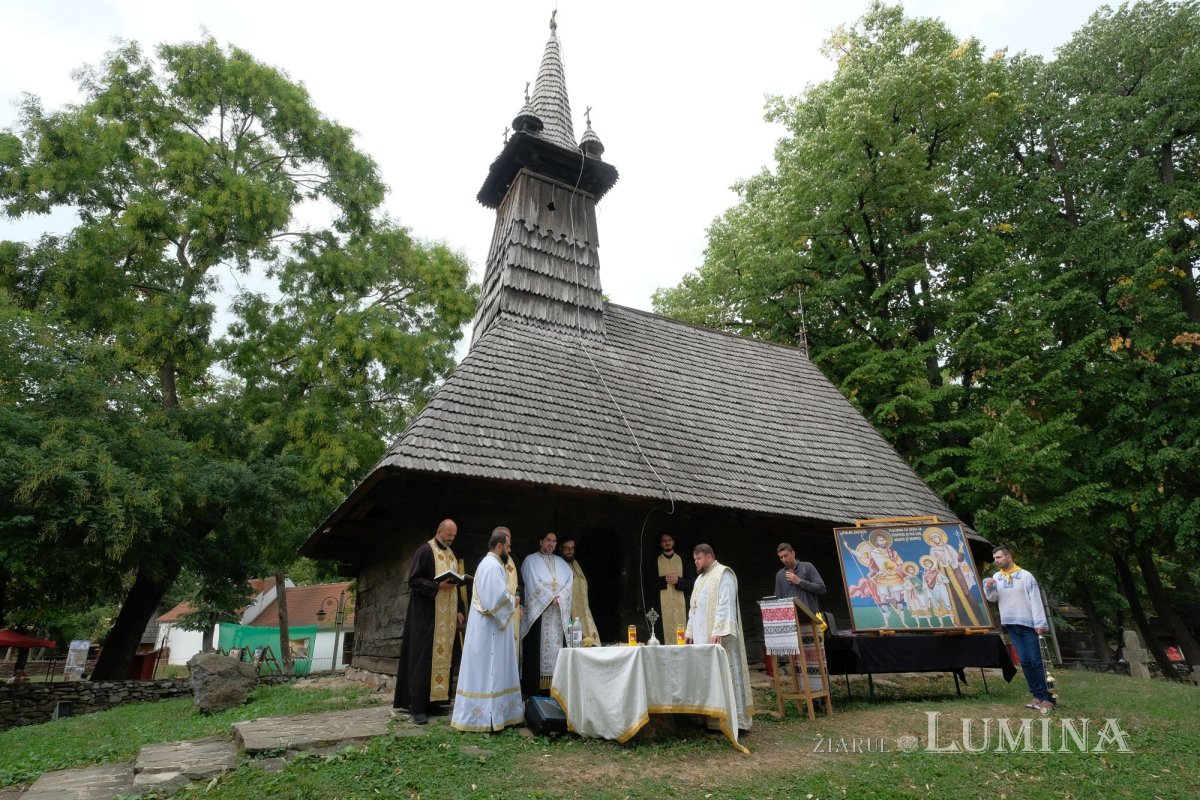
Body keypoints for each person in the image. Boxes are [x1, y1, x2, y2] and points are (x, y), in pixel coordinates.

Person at [451, 527, 524, 732]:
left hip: (486, 627)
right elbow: (495, 599)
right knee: (489, 672)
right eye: (508, 547)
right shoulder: (492, 566)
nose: (509, 551)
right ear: (499, 546)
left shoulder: (487, 563)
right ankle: (486, 718)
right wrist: (514, 600)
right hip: (489, 629)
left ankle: (489, 716)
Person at [392, 519, 465, 724]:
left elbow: (455, 585)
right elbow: (414, 580)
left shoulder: (451, 555)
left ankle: (435, 702)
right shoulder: (424, 551)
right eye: (448, 534)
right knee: (423, 659)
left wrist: (458, 609)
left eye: (453, 535)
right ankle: (418, 707)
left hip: (446, 618)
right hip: (426, 616)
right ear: (439, 531)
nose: (451, 538)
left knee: (443, 660)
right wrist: (437, 587)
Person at [685, 544, 754, 732]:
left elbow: (726, 603)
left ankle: (734, 720)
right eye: (694, 559)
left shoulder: (724, 573)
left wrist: (718, 629)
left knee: (726, 675)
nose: (696, 562)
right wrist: (690, 631)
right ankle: (712, 720)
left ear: (709, 556)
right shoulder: (700, 579)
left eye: (698, 559)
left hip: (720, 637)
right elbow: (693, 607)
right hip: (702, 637)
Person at [983, 545, 1055, 712]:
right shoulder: (997, 576)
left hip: (1029, 624)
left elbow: (1035, 599)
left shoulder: (1025, 576)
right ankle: (1037, 696)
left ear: (1009, 557)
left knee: (1036, 661)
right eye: (994, 559)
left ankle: (1048, 698)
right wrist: (989, 586)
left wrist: (1040, 623)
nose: (996, 561)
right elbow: (993, 598)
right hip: (1011, 624)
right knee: (1025, 662)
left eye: (999, 557)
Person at [520, 531, 573, 695]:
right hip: (539, 614)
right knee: (535, 650)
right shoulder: (530, 561)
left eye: (554, 541)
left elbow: (569, 584)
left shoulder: (562, 563)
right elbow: (533, 583)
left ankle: (557, 688)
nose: (551, 544)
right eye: (548, 540)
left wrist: (560, 598)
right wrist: (549, 598)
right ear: (541, 541)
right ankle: (534, 691)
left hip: (558, 615)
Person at [925, 527, 983, 626]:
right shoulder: (932, 550)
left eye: (935, 536)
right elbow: (933, 565)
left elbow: (959, 559)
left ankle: (978, 619)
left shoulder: (948, 547)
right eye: (932, 538)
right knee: (953, 598)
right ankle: (962, 622)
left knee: (966, 593)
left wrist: (960, 549)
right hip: (944, 574)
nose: (934, 539)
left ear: (940, 537)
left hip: (956, 572)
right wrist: (935, 563)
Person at [654, 533, 693, 644]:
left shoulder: (683, 560)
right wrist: (664, 579)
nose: (667, 542)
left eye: (669, 540)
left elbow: (692, 583)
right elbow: (649, 583)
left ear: (673, 542)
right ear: (661, 544)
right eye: (664, 540)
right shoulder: (655, 561)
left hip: (682, 606)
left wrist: (679, 581)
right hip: (662, 607)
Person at [560, 537, 600, 645]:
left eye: (572, 548)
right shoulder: (559, 564)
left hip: (583, 608)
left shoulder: (576, 563)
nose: (570, 551)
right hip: (569, 612)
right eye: (567, 548)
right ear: (561, 549)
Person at [773, 542, 826, 617]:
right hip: (790, 618)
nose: (784, 560)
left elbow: (822, 589)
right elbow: (777, 599)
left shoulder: (807, 567)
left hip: (810, 617)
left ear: (793, 553)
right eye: (781, 557)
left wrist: (799, 581)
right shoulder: (780, 575)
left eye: (786, 556)